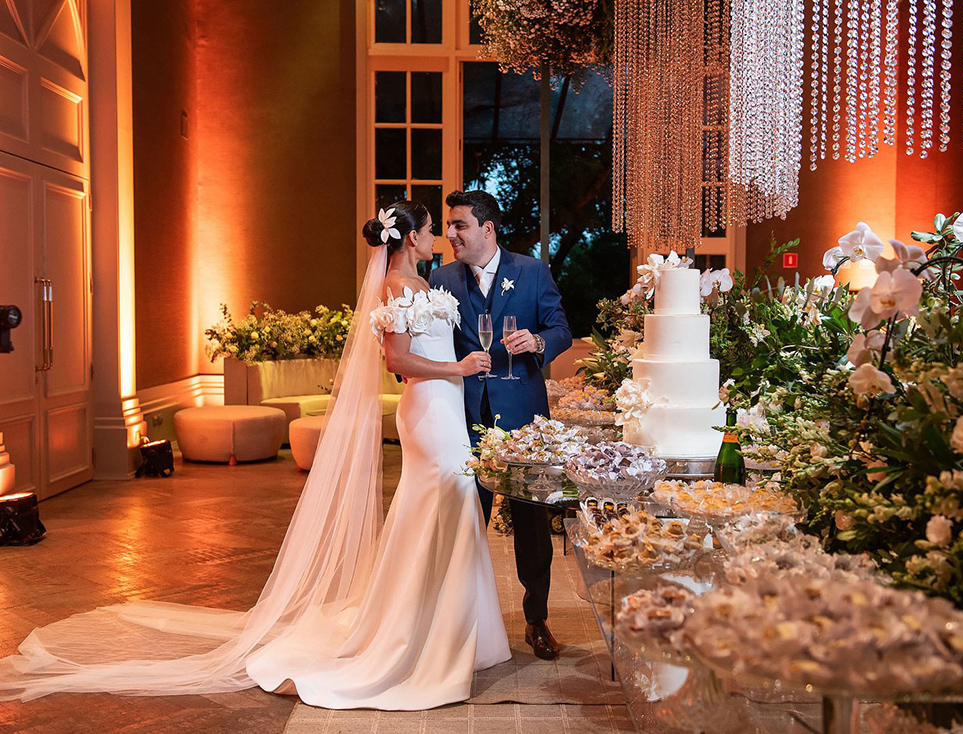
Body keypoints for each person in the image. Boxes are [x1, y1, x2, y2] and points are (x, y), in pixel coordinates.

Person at [0, 200, 511, 709]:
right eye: (430, 229)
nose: (438, 237)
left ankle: (456, 628)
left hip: (447, 408)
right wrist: (458, 370)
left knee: (452, 502)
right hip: (429, 411)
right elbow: (397, 359)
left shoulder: (424, 285)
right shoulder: (395, 287)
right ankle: (412, 632)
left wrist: (459, 370)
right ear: (410, 238)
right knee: (443, 498)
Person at [430, 190, 572, 661]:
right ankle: (462, 625)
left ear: (487, 229)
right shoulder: (442, 278)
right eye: (449, 226)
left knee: (532, 525)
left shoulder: (532, 271)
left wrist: (538, 341)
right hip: (464, 420)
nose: (450, 235)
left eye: (460, 226)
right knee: (465, 522)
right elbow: (435, 343)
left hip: (523, 421)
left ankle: (536, 621)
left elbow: (561, 328)